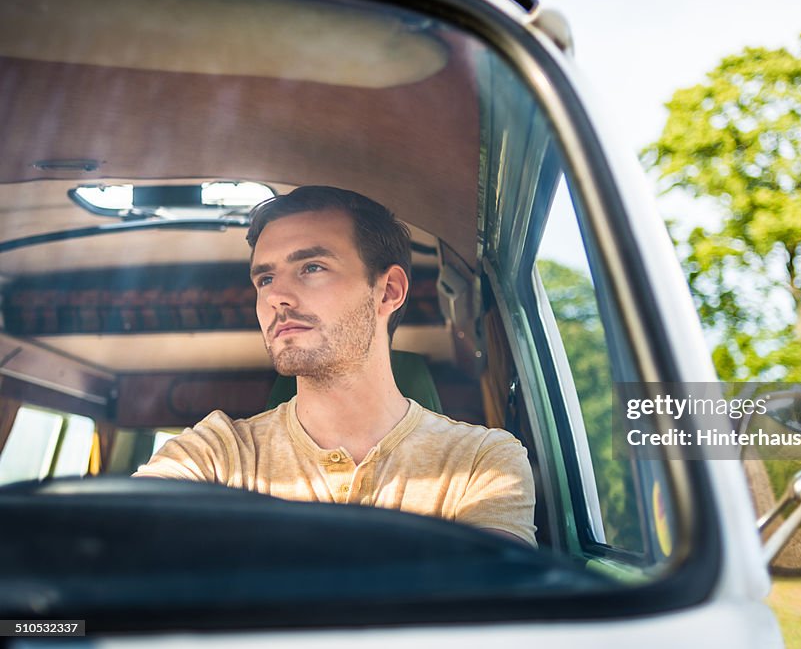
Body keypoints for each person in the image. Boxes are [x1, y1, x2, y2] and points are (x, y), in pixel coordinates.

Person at [135, 186, 536, 546]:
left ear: (388, 291)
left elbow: (495, 608)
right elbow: (115, 541)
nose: (277, 297)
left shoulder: (480, 461)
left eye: (312, 267)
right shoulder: (218, 453)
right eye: (265, 279)